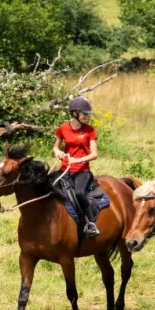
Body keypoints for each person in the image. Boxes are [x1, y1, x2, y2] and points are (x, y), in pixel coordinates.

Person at [52, 96, 101, 239]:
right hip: (65, 170)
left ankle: (91, 223)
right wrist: (58, 152)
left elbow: (94, 154)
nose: (86, 116)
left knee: (79, 193)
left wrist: (77, 160)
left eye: (87, 114)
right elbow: (55, 147)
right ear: (74, 114)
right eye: (84, 114)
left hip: (82, 171)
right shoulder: (63, 128)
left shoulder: (90, 130)